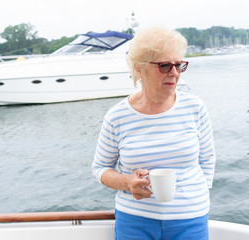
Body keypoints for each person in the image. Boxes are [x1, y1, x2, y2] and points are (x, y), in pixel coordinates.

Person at [92, 25, 216, 240]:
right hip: (135, 220)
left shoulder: (195, 108)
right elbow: (100, 168)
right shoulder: (117, 117)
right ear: (139, 69)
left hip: (191, 219)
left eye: (179, 65)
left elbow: (207, 160)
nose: (174, 73)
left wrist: (191, 199)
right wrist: (128, 183)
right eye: (165, 65)